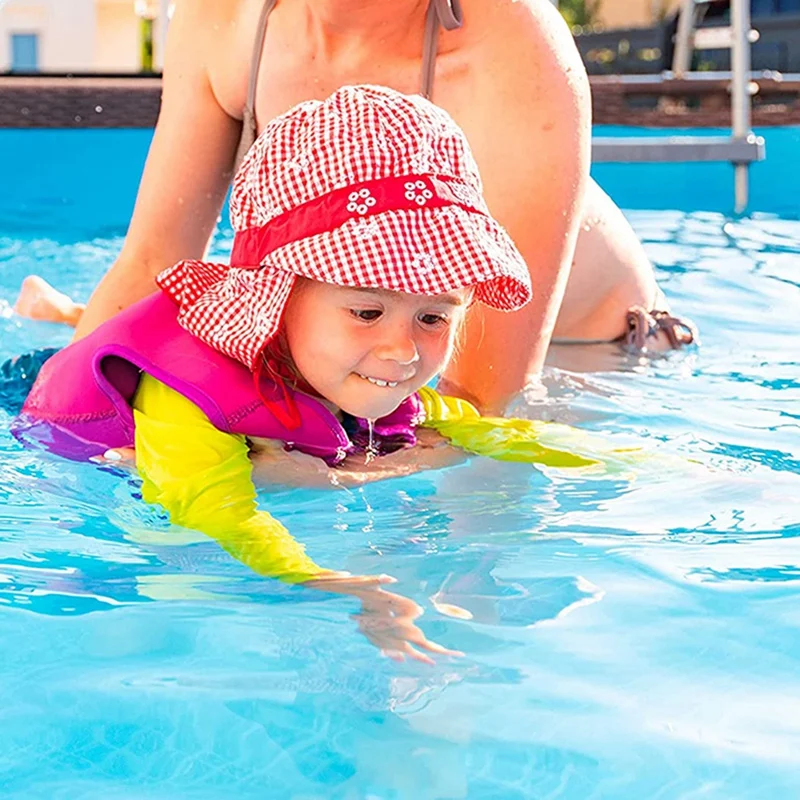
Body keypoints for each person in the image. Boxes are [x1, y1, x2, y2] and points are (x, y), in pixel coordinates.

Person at [15, 86, 631, 662]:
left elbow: (474, 427)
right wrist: (334, 584)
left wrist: (651, 465)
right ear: (274, 298)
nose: (401, 352)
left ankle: (53, 307)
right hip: (67, 440)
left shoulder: (353, 364)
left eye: (433, 316)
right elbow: (211, 511)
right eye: (367, 310)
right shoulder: (184, 393)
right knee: (140, 620)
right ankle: (48, 310)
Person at [7, 0, 694, 420]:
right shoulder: (223, 19)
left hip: (589, 355)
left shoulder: (514, 45)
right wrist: (61, 412)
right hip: (369, 323)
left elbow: (485, 397)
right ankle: (69, 316)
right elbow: (154, 261)